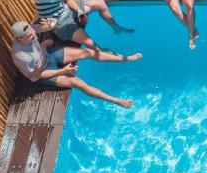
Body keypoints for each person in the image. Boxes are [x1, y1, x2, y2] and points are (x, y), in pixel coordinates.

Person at [9, 21, 137, 108]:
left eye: (32, 32)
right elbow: (39, 74)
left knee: (86, 51)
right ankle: (118, 101)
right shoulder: (21, 56)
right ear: (19, 39)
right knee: (78, 83)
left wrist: (50, 25)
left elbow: (43, 27)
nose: (33, 35)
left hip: (47, 56)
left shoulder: (28, 32)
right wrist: (63, 71)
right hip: (42, 73)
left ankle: (124, 59)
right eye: (29, 36)